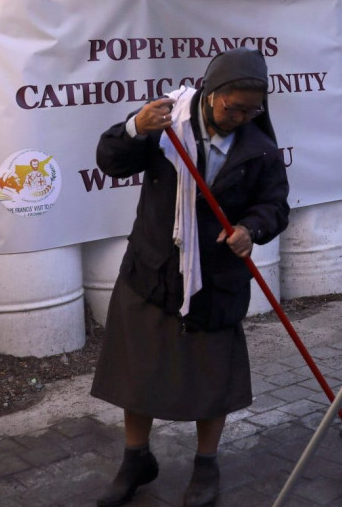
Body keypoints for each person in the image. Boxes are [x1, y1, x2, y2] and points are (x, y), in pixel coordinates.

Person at [90, 48, 290, 507]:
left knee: (211, 377)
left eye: (251, 109)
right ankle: (136, 459)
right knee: (137, 371)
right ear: (210, 92)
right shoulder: (166, 124)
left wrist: (250, 229)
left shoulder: (259, 150)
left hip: (215, 282)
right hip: (152, 269)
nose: (240, 116)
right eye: (232, 107)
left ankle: (206, 465)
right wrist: (133, 128)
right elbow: (111, 161)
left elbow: (275, 206)